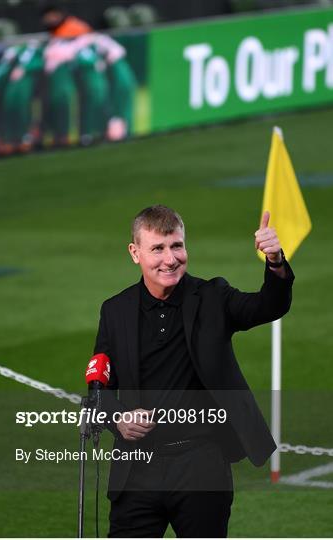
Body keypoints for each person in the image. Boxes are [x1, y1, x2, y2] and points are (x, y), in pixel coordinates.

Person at [93, 204, 294, 537]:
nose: (170, 259)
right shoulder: (115, 311)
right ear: (135, 253)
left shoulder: (213, 296)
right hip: (136, 470)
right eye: (158, 248)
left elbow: (268, 306)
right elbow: (99, 386)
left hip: (201, 464)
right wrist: (117, 419)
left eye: (177, 246)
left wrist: (275, 262)